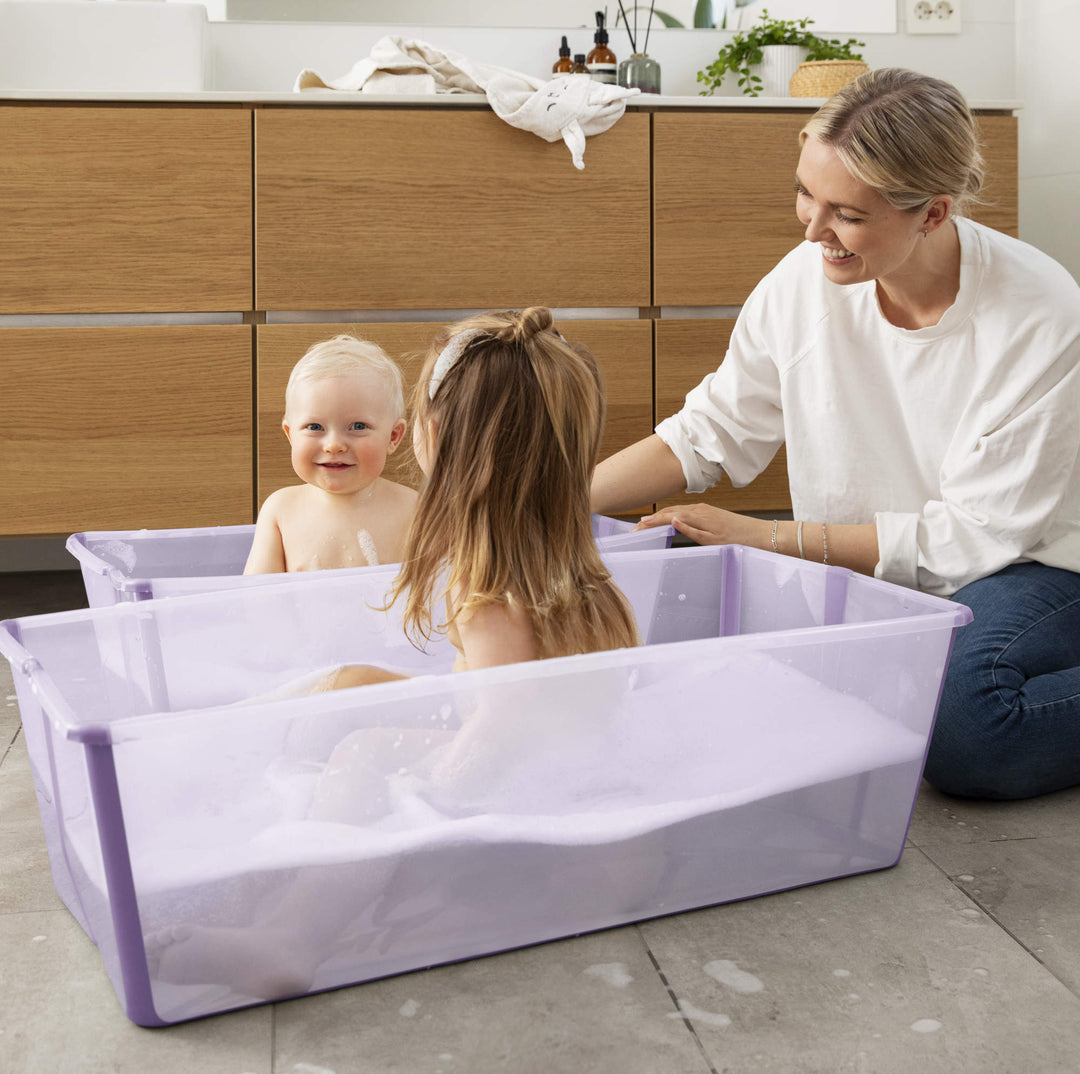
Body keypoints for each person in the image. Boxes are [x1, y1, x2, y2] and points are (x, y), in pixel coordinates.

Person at [591, 68, 1080, 801]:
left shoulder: (1039, 313)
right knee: (691, 588)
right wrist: (551, 498)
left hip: (1031, 562)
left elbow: (973, 539)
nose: (813, 231)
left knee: (969, 728)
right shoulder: (805, 280)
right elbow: (710, 430)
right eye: (805, 195)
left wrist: (769, 538)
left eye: (847, 214)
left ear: (934, 213)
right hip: (879, 566)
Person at [145, 308, 642, 998]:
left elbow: (502, 721)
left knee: (366, 751)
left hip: (523, 766)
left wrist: (432, 783)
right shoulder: (579, 567)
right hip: (571, 744)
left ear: (431, 436)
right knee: (353, 682)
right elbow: (569, 695)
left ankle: (292, 933)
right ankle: (291, 845)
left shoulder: (487, 584)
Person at [243, 334, 418, 574]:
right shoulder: (281, 511)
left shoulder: (414, 510)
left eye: (358, 426)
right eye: (315, 427)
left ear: (393, 436)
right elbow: (257, 594)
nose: (334, 445)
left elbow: (440, 589)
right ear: (290, 435)